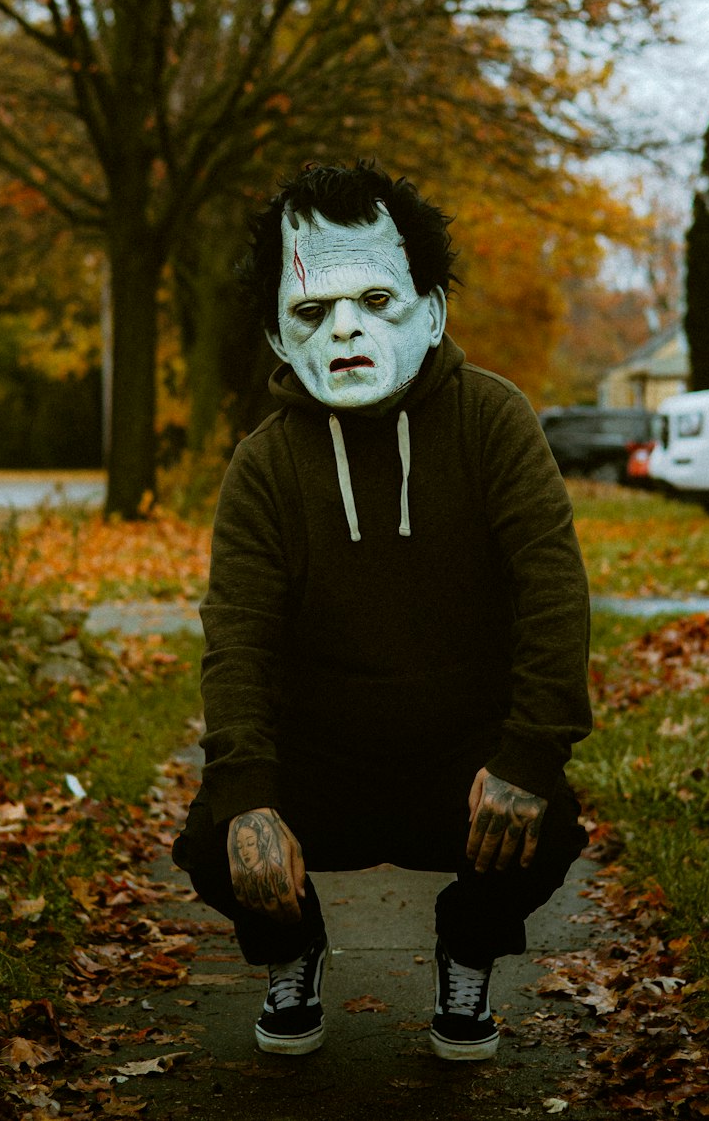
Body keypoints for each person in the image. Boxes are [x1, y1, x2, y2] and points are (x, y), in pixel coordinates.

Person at [172, 161, 593, 1061]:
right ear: (281, 342)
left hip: (461, 765)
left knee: (549, 826)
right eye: (311, 312)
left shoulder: (492, 421)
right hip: (321, 766)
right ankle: (294, 952)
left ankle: (467, 951)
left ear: (432, 309)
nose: (347, 329)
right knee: (214, 838)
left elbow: (553, 594)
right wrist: (248, 798)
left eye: (375, 297)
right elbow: (235, 638)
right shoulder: (265, 464)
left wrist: (525, 756)